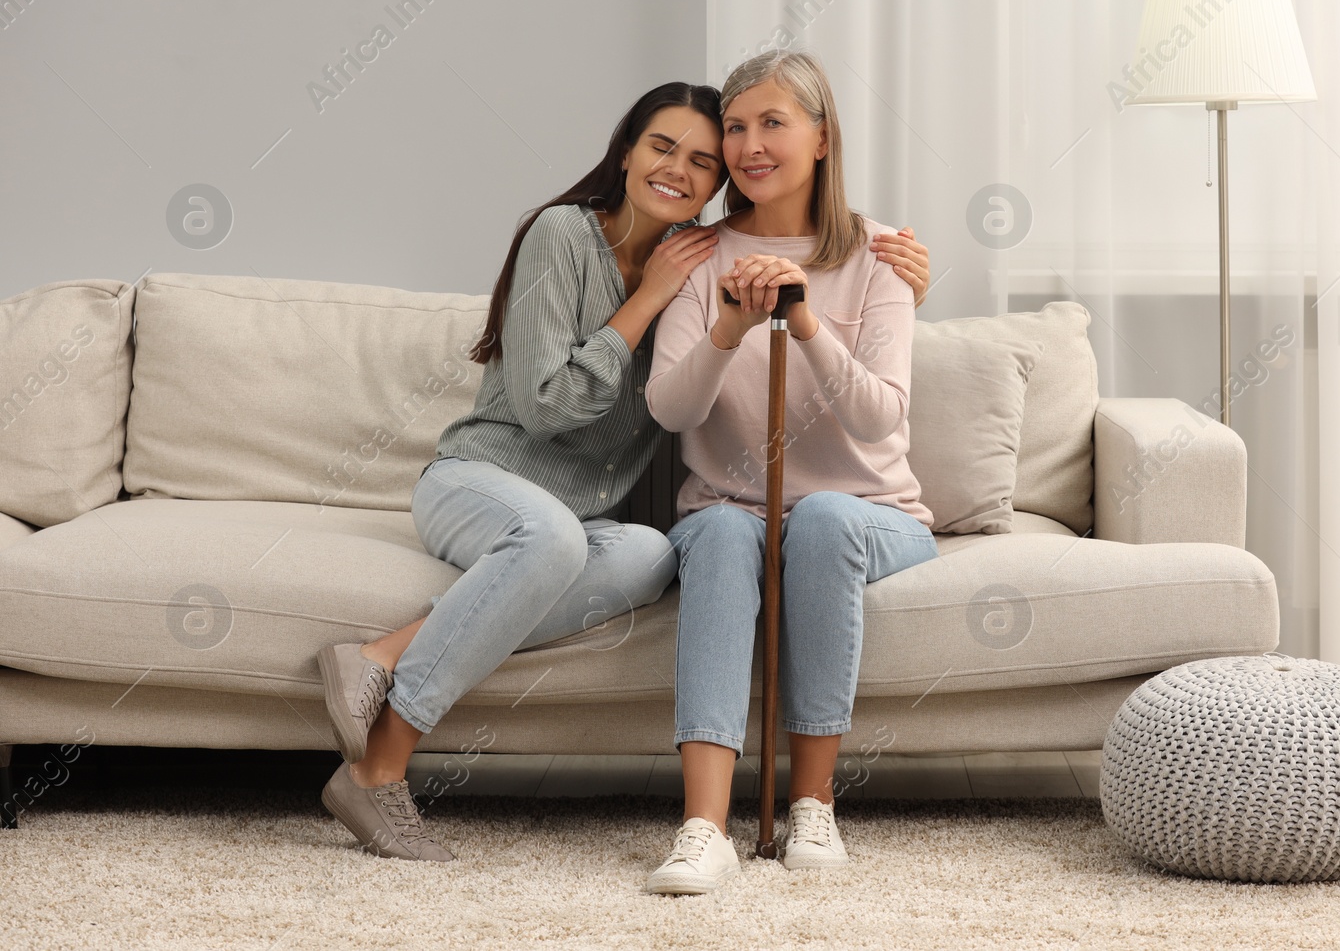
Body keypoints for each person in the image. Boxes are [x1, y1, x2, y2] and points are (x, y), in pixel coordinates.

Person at [314, 80, 936, 862]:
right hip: (481, 478)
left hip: (582, 521)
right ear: (626, 150)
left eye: (705, 159)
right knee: (550, 539)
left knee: (649, 552)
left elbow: (843, 339)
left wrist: (902, 287)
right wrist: (647, 298)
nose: (681, 168)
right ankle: (381, 764)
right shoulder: (567, 235)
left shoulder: (704, 257)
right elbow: (543, 408)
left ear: (722, 182)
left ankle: (388, 651)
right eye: (662, 146)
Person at [643, 49, 939, 895]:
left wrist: (806, 318)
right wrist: (731, 327)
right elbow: (671, 410)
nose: (749, 144)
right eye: (735, 126)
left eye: (773, 122)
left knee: (824, 518)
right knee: (726, 530)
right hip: (730, 505)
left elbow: (880, 415)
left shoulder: (883, 253)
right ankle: (703, 826)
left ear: (821, 136)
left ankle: (814, 803)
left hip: (870, 514)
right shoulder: (699, 255)